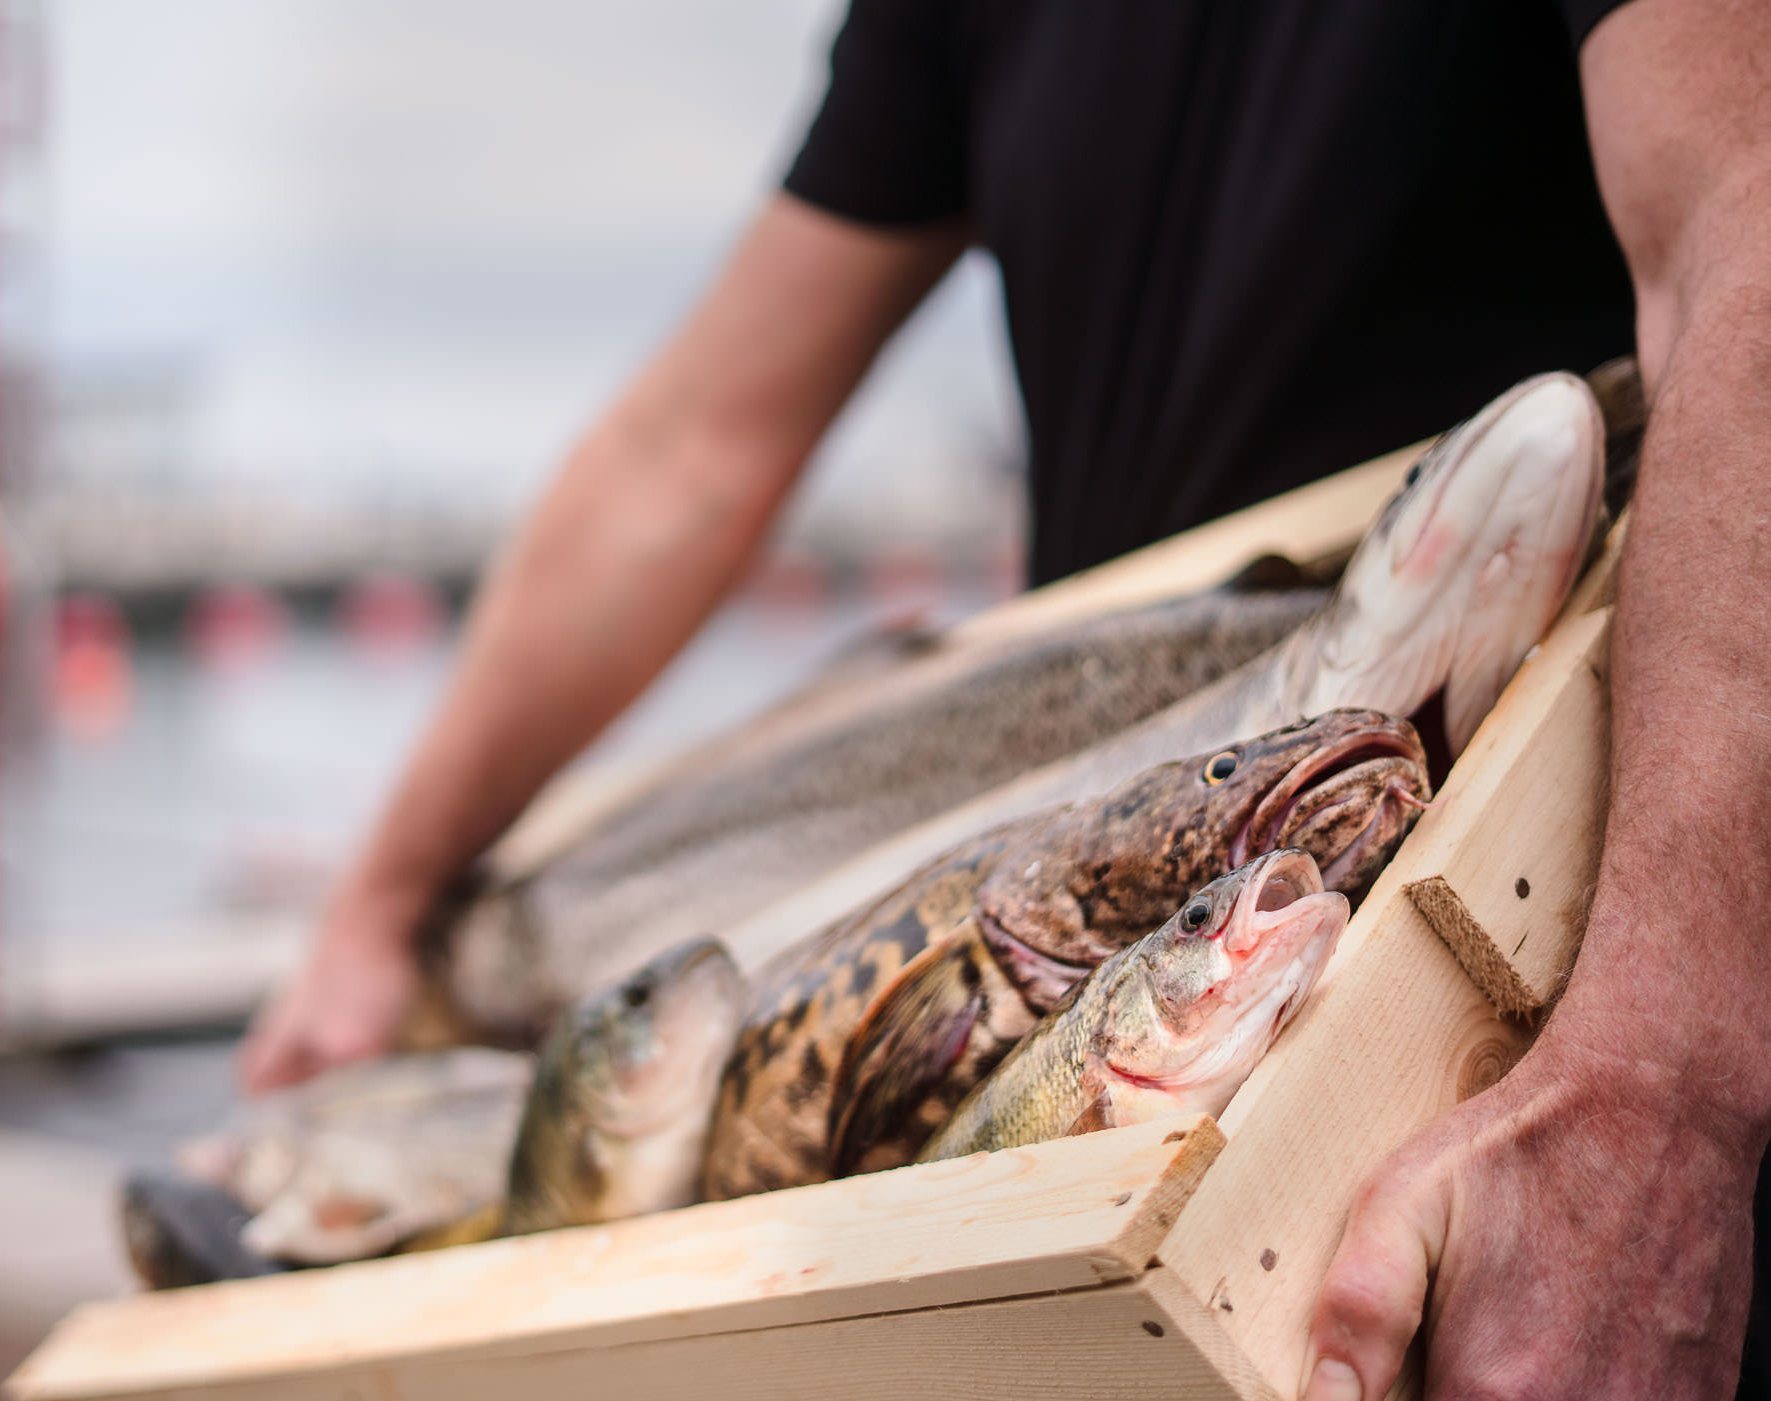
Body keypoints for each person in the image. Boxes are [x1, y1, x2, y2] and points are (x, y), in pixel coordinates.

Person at [239, 3, 1771, 1395]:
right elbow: (690, 450)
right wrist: (379, 906)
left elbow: (1749, 220)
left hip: (1575, 1026)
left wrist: (1663, 1088)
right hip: (1125, 956)